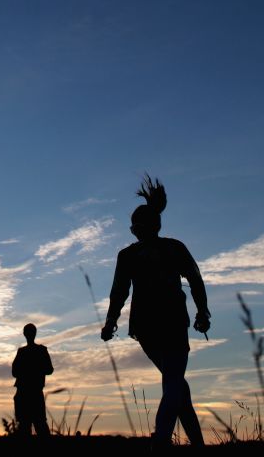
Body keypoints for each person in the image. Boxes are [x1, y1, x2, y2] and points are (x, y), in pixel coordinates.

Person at [101, 175, 211, 447]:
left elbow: (118, 293)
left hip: (147, 327)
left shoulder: (129, 255)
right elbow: (195, 280)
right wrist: (202, 313)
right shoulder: (173, 248)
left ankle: (189, 441)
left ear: (139, 228)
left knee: (175, 383)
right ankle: (163, 439)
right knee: (174, 381)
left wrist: (110, 322)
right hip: (170, 323)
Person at [11, 323, 54, 437]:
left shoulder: (24, 352)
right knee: (32, 426)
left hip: (29, 392)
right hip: (29, 393)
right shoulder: (38, 351)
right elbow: (49, 369)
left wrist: (30, 370)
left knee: (33, 425)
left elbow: (49, 370)